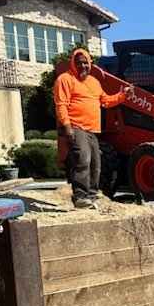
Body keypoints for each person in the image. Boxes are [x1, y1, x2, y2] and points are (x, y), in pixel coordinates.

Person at [53, 49, 134, 209]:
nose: (82, 66)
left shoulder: (94, 82)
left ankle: (91, 196)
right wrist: (67, 126)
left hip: (92, 130)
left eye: (85, 63)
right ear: (73, 64)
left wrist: (122, 95)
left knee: (96, 165)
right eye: (79, 63)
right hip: (76, 127)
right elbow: (61, 104)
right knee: (82, 161)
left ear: (90, 64)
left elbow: (105, 101)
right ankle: (79, 197)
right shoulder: (65, 79)